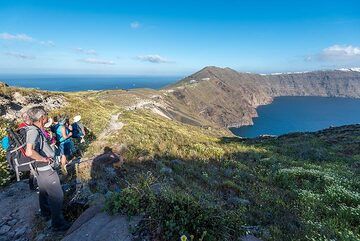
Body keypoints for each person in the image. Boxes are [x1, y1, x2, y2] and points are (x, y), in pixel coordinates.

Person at [25, 106, 70, 231]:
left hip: (40, 170)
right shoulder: (34, 131)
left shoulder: (35, 129)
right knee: (58, 196)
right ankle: (58, 224)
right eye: (45, 115)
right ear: (41, 118)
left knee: (44, 192)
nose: (47, 117)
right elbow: (29, 152)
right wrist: (44, 159)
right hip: (46, 169)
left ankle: (46, 214)